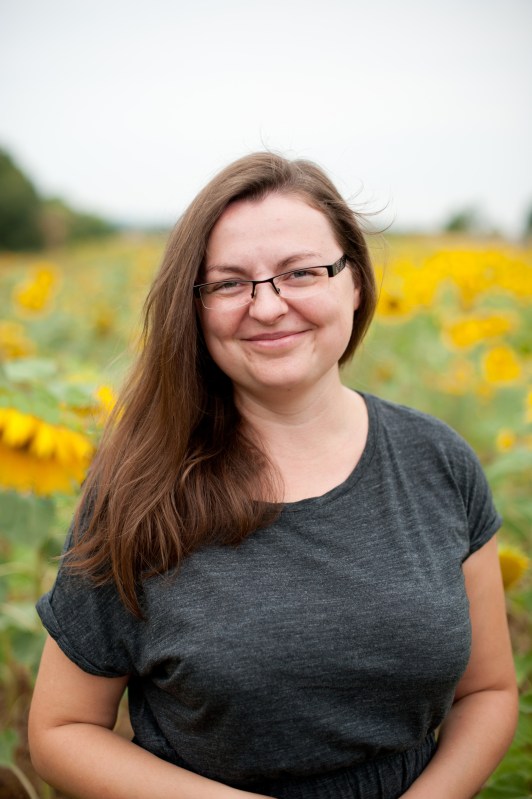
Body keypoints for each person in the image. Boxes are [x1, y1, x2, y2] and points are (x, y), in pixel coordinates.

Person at [29, 152, 518, 799]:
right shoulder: (138, 493)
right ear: (194, 308)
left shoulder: (439, 461)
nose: (267, 306)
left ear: (356, 282)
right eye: (229, 284)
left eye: (301, 272)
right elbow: (61, 729)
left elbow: (488, 689)